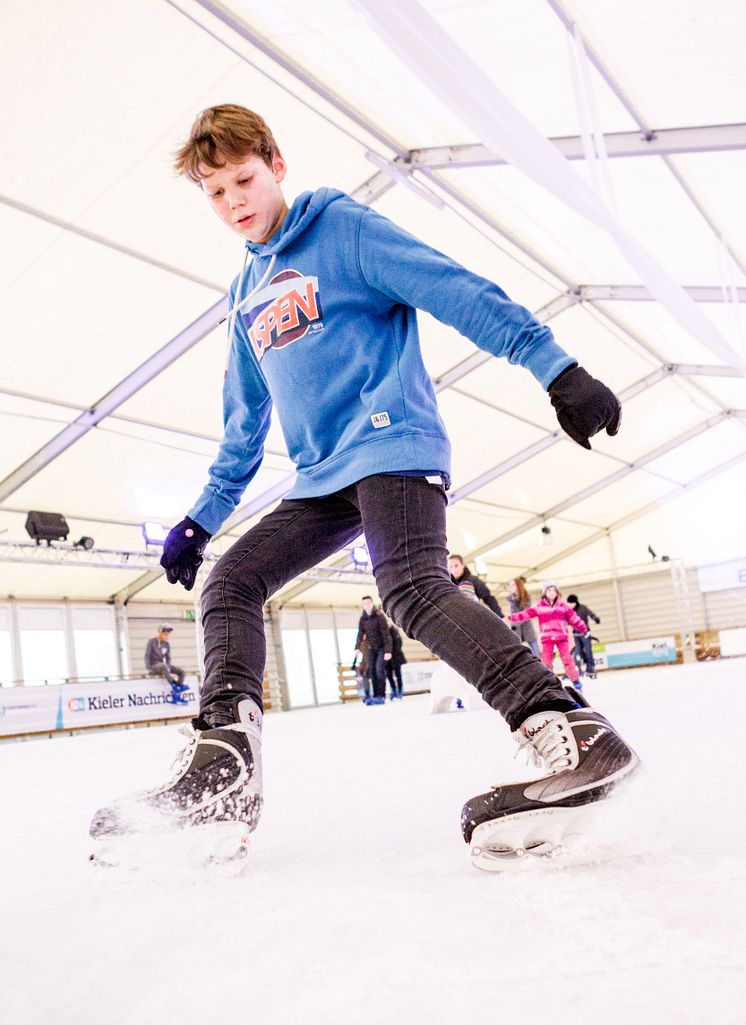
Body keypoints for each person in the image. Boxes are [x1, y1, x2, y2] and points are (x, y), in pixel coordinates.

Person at [89, 104, 638, 866]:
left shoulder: (343, 231)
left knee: (410, 587)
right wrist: (202, 517)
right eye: (214, 192)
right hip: (322, 476)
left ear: (276, 165)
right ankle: (224, 772)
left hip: (393, 443)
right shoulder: (244, 296)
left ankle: (568, 727)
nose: (234, 202)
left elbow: (452, 288)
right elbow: (245, 424)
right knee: (229, 584)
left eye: (243, 180)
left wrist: (555, 366)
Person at [507, 581, 587, 687]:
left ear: (557, 591)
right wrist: (510, 618)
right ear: (544, 592)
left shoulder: (563, 606)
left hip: (562, 637)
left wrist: (584, 629)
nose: (552, 592)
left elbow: (574, 618)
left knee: (568, 660)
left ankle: (576, 682)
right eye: (549, 590)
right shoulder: (539, 606)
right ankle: (549, 683)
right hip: (547, 639)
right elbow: (525, 614)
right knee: (546, 663)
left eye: (554, 590)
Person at [355, 596, 392, 705]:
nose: (367, 605)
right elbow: (360, 634)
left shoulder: (379, 617)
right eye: (364, 603)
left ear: (372, 604)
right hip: (370, 649)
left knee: (379, 670)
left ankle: (381, 695)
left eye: (368, 603)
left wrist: (388, 651)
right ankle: (376, 696)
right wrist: (357, 648)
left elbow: (386, 635)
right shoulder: (363, 619)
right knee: (372, 672)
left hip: (381, 648)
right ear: (363, 605)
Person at [566, 594, 601, 678]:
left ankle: (590, 668)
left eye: (572, 603)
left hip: (585, 634)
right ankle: (581, 665)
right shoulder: (568, 611)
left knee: (588, 651)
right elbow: (566, 620)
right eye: (569, 603)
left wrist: (596, 618)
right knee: (578, 652)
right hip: (575, 635)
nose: (570, 605)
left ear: (576, 602)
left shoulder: (583, 608)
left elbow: (591, 614)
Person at [506, 577, 540, 658]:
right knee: (518, 651)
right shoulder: (510, 598)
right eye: (510, 585)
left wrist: (515, 623)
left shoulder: (526, 596)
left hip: (527, 627)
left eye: (513, 585)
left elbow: (527, 613)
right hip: (516, 629)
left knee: (535, 651)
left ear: (518, 585)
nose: (511, 587)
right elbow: (513, 612)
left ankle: (542, 667)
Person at [385, 622, 407, 700]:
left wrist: (392, 652)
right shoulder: (383, 632)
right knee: (389, 675)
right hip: (387, 659)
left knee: (398, 676)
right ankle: (393, 690)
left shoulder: (395, 632)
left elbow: (399, 643)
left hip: (396, 657)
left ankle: (400, 691)